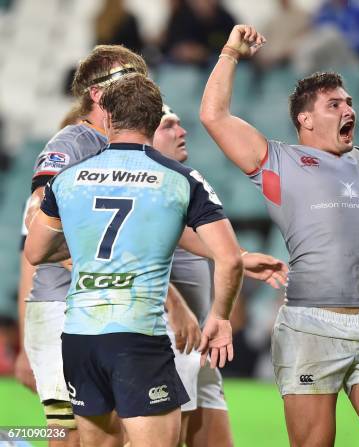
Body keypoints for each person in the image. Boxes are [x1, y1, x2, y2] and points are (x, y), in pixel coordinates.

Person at [201, 24, 359, 447]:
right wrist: (230, 51)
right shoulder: (278, 160)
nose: (347, 109)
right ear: (305, 118)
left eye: (350, 102)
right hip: (310, 327)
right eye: (334, 103)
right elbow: (214, 116)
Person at [25, 73, 243, 447]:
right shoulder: (181, 179)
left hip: (80, 336)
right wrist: (220, 317)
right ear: (155, 119)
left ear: (107, 118)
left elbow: (35, 252)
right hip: (138, 334)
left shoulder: (68, 179)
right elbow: (230, 258)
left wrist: (84, 249)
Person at [21, 45, 148, 447]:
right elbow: (36, 214)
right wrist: (86, 262)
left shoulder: (126, 146)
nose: (139, 84)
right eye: (127, 76)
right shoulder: (74, 142)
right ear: (96, 93)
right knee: (72, 433)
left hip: (103, 306)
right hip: (63, 305)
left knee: (113, 432)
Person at [153, 105, 288, 446]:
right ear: (146, 132)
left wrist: (240, 257)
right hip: (166, 336)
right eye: (169, 126)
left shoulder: (177, 181)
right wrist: (177, 305)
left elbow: (183, 234)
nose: (182, 132)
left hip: (195, 337)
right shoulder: (148, 184)